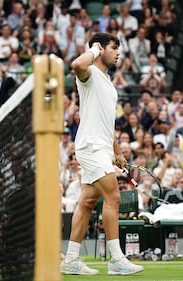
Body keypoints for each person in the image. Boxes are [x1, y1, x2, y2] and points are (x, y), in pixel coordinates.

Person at [61, 33, 143, 275]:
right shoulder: (88, 74)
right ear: (99, 49)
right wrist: (94, 50)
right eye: (113, 48)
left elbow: (108, 124)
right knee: (114, 197)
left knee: (86, 203)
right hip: (90, 146)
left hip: (101, 148)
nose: (118, 52)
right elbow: (76, 64)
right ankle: (116, 259)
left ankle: (71, 260)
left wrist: (117, 152)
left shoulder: (107, 82)